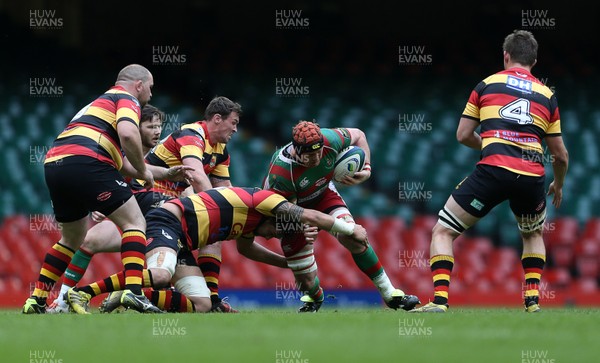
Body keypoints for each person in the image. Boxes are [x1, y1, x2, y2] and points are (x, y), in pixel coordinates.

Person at [410, 30, 569, 313]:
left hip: (493, 170)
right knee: (532, 235)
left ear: (506, 56)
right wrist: (558, 184)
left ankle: (440, 301)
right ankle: (532, 303)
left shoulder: (486, 85)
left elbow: (462, 135)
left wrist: (490, 142)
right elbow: (560, 155)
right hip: (532, 176)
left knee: (443, 230)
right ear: (534, 60)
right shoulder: (547, 95)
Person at [64, 186, 368, 313]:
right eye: (275, 231)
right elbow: (312, 216)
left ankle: (122, 295)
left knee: (203, 304)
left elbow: (249, 251)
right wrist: (347, 228)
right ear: (276, 219)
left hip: (182, 240)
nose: (271, 236)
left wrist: (287, 266)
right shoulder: (263, 200)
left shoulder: (251, 226)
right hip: (169, 220)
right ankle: (86, 292)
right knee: (159, 274)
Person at [22, 64, 164, 314]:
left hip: (56, 164)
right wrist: (144, 172)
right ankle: (134, 292)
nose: (151, 94)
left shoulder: (95, 106)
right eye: (150, 88)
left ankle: (37, 299)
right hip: (88, 161)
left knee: (72, 238)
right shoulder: (127, 98)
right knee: (134, 222)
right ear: (139, 85)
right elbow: (129, 135)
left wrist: (151, 172)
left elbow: (120, 163)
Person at [263, 120, 420, 312]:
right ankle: (315, 297)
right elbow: (284, 209)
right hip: (291, 212)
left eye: (319, 152)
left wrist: (367, 169)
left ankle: (391, 295)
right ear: (296, 151)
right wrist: (305, 224)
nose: (317, 158)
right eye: (310, 155)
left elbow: (360, 134)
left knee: (354, 237)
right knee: (306, 280)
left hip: (323, 195)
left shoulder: (330, 139)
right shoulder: (281, 173)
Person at [45, 104, 185, 313]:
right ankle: (63, 302)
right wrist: (100, 203)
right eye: (150, 126)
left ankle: (135, 294)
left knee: (165, 272)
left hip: (162, 221)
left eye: (159, 126)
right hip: (135, 217)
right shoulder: (119, 154)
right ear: (134, 129)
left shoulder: (164, 154)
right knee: (89, 240)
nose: (157, 131)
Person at [138, 95, 242, 312]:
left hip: (171, 204)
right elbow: (196, 176)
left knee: (216, 228)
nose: (235, 130)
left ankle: (212, 300)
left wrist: (241, 212)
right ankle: (116, 291)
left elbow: (226, 190)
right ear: (216, 119)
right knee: (215, 218)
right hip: (144, 196)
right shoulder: (192, 134)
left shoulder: (220, 150)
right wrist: (225, 213)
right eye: (233, 123)